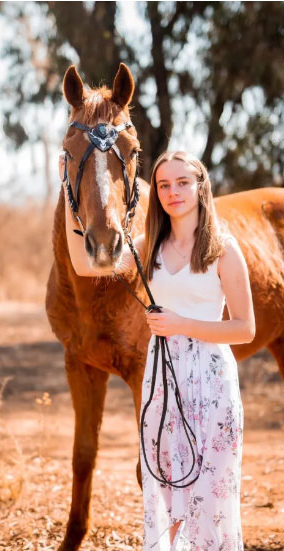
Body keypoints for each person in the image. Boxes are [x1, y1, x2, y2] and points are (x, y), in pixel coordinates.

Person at [59, 150, 255, 551]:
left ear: (201, 186)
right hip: (162, 379)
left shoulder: (224, 249)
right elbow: (84, 264)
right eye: (164, 184)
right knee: (165, 488)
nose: (172, 192)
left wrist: (181, 325)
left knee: (212, 492)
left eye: (183, 182)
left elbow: (245, 329)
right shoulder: (150, 247)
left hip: (211, 381)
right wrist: (68, 190)